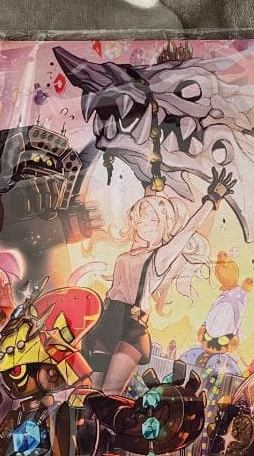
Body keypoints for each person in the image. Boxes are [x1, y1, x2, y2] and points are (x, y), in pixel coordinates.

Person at [88, 167, 235, 394]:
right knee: (91, 394)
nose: (143, 222)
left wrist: (212, 199)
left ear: (164, 225)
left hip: (131, 327)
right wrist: (151, 183)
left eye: (153, 219)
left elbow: (187, 231)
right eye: (141, 216)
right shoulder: (128, 254)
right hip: (107, 322)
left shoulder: (158, 257)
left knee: (109, 395)